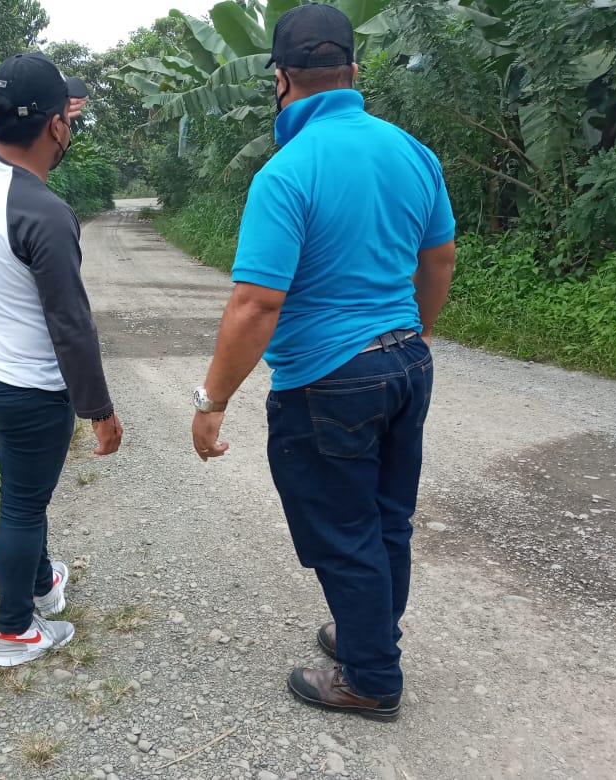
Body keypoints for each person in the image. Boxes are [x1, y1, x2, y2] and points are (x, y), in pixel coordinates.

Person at [191, 4, 456, 721]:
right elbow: (438, 260)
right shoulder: (412, 152)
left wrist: (212, 402)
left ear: (280, 79)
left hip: (327, 381)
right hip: (405, 363)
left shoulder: (287, 171)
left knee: (344, 534)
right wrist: (417, 335)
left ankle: (370, 678)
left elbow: (256, 304)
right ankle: (369, 634)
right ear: (354, 70)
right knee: (387, 519)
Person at [0, 52, 123, 667]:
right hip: (25, 392)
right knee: (22, 507)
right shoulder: (45, 213)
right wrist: (100, 411)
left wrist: (42, 107)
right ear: (56, 125)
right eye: (65, 117)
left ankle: (44, 583)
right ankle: (15, 631)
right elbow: (71, 325)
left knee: (24, 493)